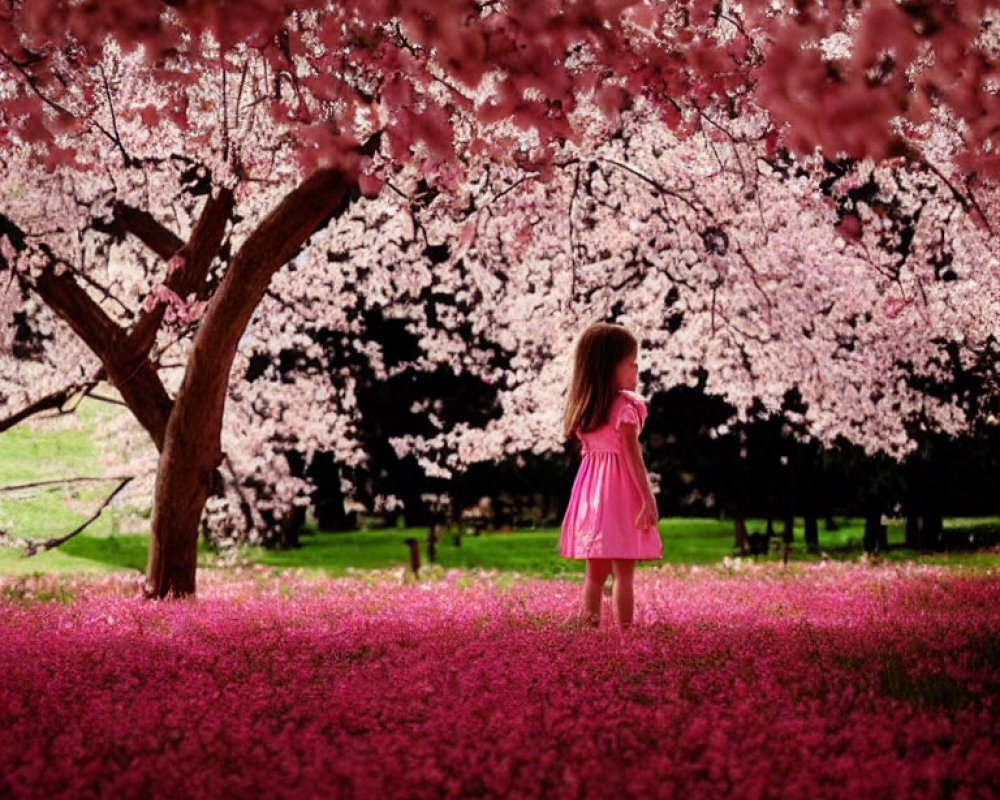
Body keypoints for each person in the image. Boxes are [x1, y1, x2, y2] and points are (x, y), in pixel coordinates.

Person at [560, 322, 661, 627]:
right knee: (624, 575)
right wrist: (647, 498)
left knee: (593, 575)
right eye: (631, 363)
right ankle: (625, 635)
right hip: (619, 497)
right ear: (609, 367)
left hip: (592, 499)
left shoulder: (586, 410)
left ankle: (590, 632)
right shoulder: (624, 409)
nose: (636, 368)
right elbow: (632, 458)